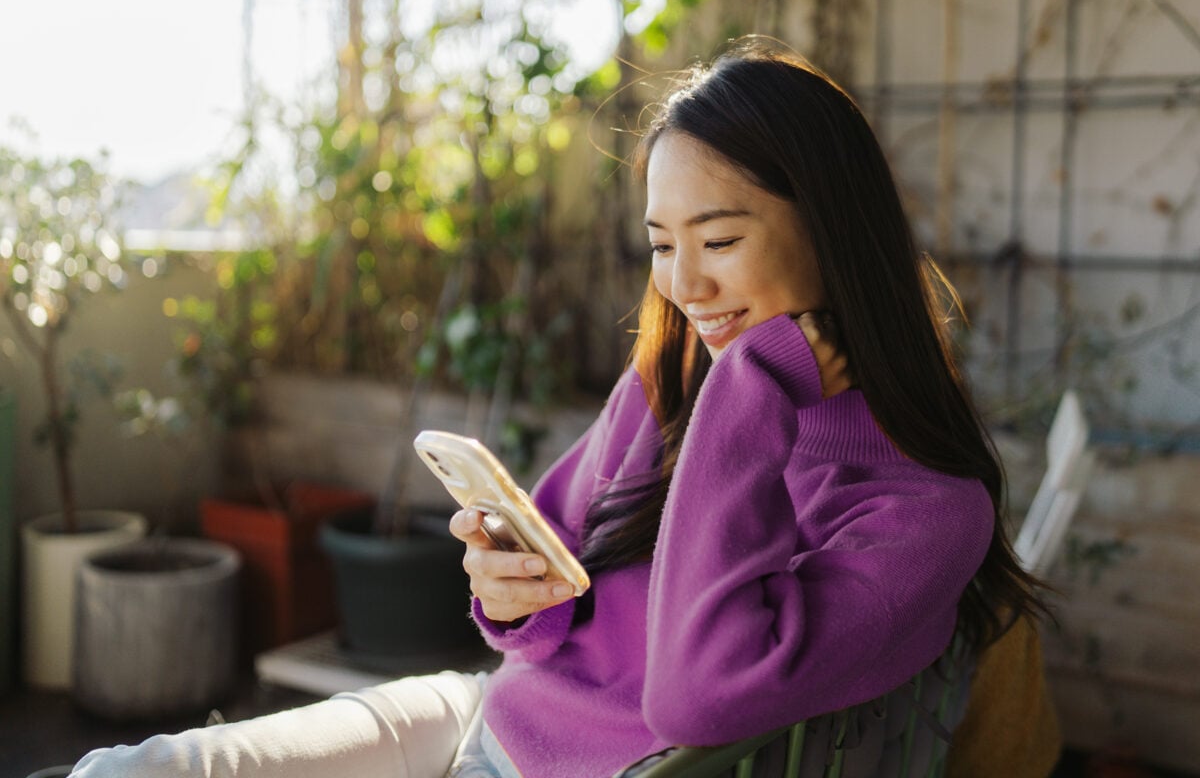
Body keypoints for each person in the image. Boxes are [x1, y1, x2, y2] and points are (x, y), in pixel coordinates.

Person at [68, 39, 1058, 778]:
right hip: (477, 718)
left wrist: (759, 388)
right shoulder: (665, 389)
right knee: (122, 770)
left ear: (834, 230)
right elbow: (539, 617)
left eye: (718, 238)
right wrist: (510, 588)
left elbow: (695, 694)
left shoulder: (924, 506)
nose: (684, 285)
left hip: (570, 765)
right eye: (662, 244)